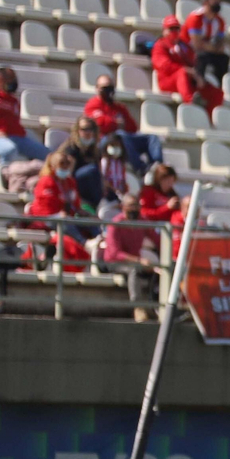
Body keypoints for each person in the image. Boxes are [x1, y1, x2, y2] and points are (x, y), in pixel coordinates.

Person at [83, 73, 164, 172]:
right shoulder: (92, 105)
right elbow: (99, 124)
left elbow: (132, 127)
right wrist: (116, 123)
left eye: (110, 87)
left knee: (152, 138)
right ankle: (141, 168)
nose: (108, 90)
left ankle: (158, 169)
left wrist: (113, 123)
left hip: (124, 140)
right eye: (105, 87)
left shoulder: (119, 107)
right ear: (97, 88)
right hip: (103, 142)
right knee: (120, 135)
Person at [0, 66, 49, 163]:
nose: (13, 82)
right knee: (9, 150)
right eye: (10, 79)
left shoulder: (13, 100)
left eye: (14, 79)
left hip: (16, 138)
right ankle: (6, 176)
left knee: (48, 154)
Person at [103, 193, 161, 321]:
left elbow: (158, 240)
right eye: (131, 206)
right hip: (115, 262)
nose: (134, 209)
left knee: (162, 269)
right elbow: (115, 253)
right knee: (134, 270)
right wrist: (139, 261)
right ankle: (138, 308)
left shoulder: (142, 221)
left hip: (136, 261)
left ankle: (162, 308)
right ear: (123, 207)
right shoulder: (116, 224)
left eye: (136, 206)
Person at [152, 15, 222, 111]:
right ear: (164, 30)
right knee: (182, 73)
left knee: (216, 93)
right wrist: (187, 71)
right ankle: (191, 101)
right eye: (171, 28)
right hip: (168, 80)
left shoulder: (184, 46)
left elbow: (194, 62)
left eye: (177, 28)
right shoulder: (160, 45)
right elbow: (163, 65)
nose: (174, 31)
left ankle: (209, 117)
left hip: (187, 81)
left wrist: (198, 75)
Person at [183, 0, 230, 87]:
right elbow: (197, 44)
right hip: (188, 50)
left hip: (207, 50)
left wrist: (212, 48)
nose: (218, 2)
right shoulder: (196, 18)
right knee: (201, 57)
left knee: (224, 59)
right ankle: (197, 86)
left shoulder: (219, 21)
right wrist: (214, 48)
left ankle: (219, 87)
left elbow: (220, 45)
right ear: (205, 1)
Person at [66, 116, 106, 216]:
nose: (88, 132)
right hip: (76, 182)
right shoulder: (72, 148)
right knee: (91, 170)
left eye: (90, 129)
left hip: (91, 184)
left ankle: (98, 206)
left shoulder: (95, 151)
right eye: (84, 129)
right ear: (78, 131)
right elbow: (68, 173)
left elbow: (100, 173)